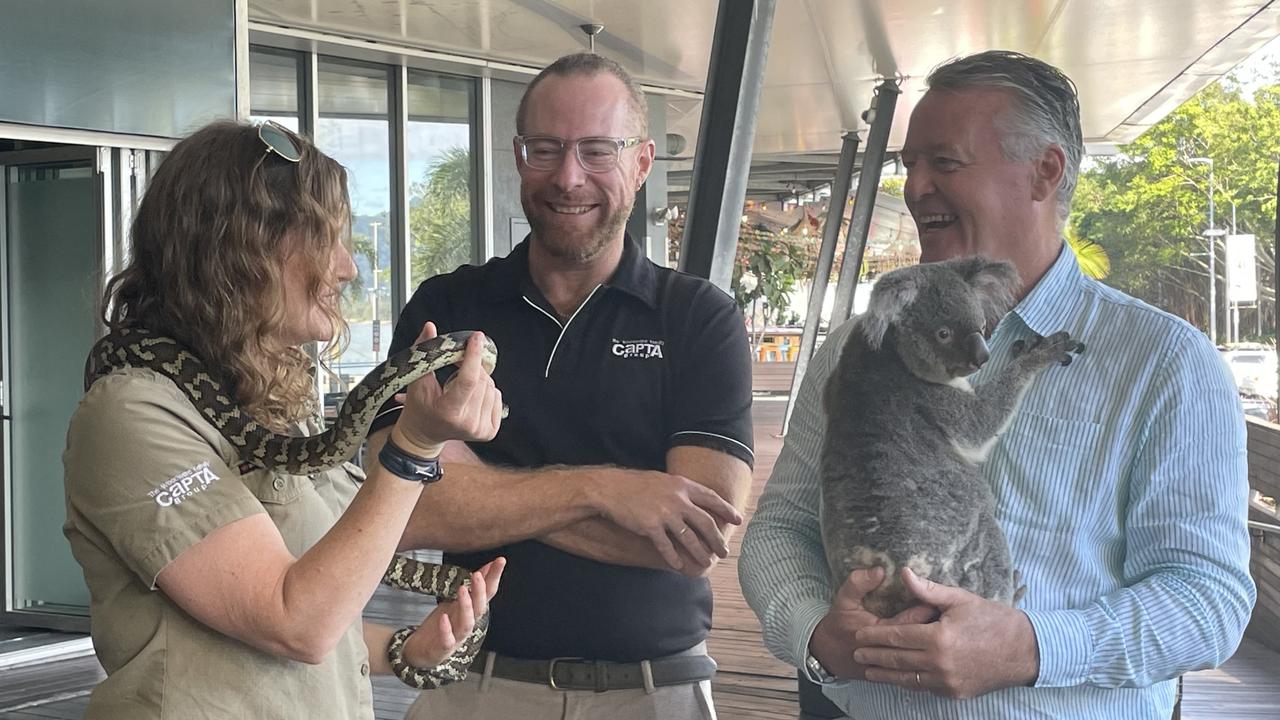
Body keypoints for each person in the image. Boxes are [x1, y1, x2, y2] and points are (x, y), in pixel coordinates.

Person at [738, 50, 1257, 719]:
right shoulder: (858, 347)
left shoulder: (1166, 363)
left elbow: (1207, 599)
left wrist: (1034, 647)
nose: (915, 186)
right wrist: (816, 632)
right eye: (909, 165)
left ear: (1044, 173)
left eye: (944, 162)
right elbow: (781, 529)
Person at [62, 120, 506, 719]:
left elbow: (321, 606)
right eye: (326, 240)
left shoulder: (271, 412)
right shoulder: (132, 414)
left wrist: (408, 648)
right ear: (243, 247)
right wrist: (412, 448)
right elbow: (293, 621)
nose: (347, 268)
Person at [367, 52, 755, 720]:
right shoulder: (451, 307)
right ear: (519, 156)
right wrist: (607, 491)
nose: (568, 177)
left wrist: (480, 484)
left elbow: (697, 538)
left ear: (641, 162)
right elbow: (404, 509)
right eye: (545, 148)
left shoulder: (699, 317)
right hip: (474, 684)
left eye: (597, 150)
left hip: (653, 690)